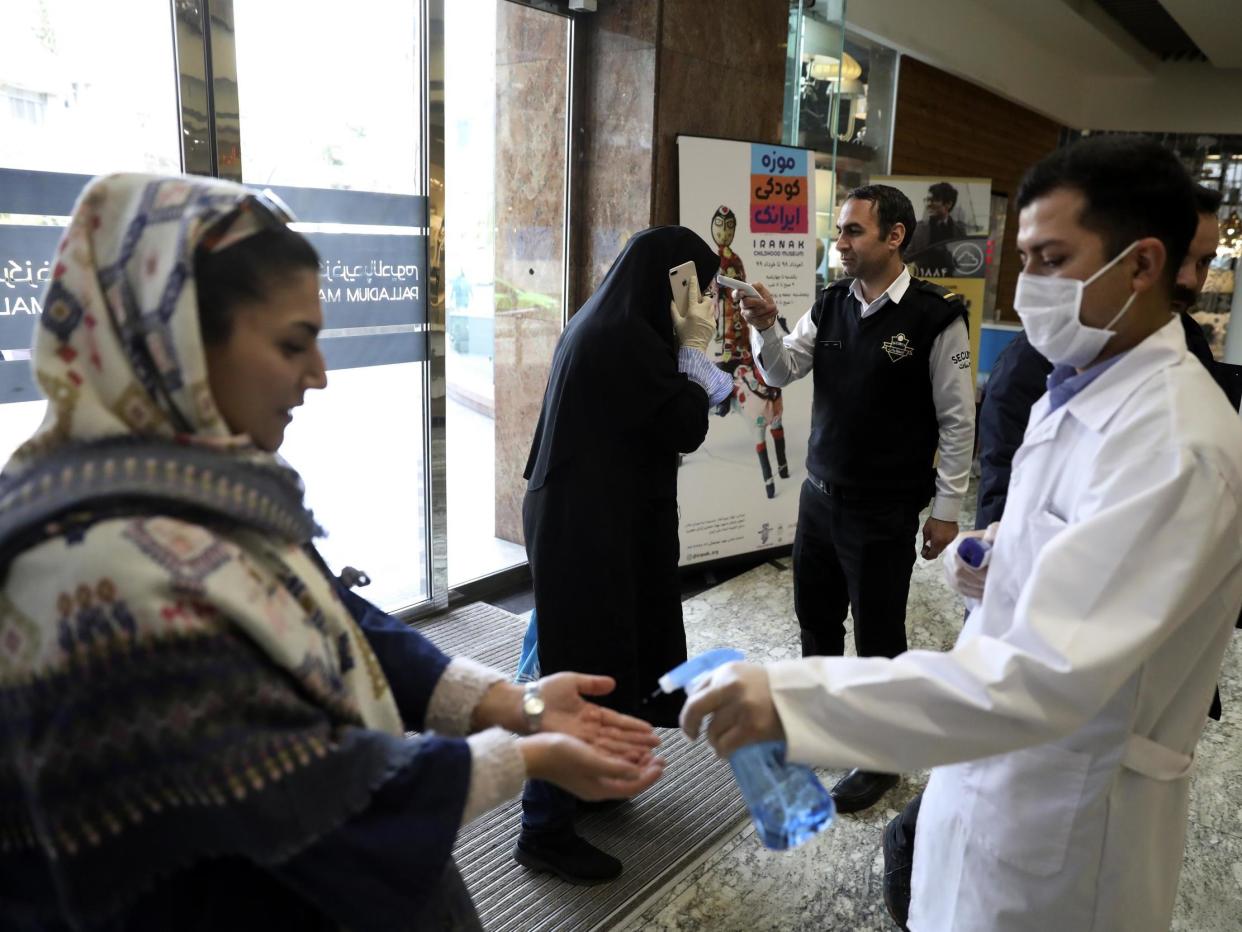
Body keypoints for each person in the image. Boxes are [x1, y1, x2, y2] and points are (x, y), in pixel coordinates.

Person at [0, 173, 666, 932]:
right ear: (175, 340)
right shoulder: (90, 575)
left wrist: (515, 700)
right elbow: (315, 802)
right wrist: (531, 755)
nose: (318, 375)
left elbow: (333, 614)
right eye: (294, 343)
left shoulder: (192, 486)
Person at [681, 135, 1242, 931]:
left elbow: (1037, 680)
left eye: (1051, 258)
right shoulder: (1076, 386)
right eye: (1023, 259)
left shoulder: (1177, 447)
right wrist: (996, 556)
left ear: (1144, 265)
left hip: (1069, 818)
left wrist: (792, 698)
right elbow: (1062, 551)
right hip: (976, 743)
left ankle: (869, 761)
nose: (1028, 287)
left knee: (875, 630)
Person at [733, 183, 975, 814]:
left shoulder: (936, 316)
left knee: (878, 638)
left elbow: (957, 423)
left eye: (851, 232)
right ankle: (820, 724)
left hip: (883, 509)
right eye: (839, 231)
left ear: (894, 237)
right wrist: (765, 327)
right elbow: (782, 369)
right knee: (816, 622)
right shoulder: (832, 302)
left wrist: (946, 511)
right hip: (819, 498)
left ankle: (881, 757)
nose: (839, 243)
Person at [516, 226, 732, 884]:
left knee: (597, 650)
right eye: (696, 288)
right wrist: (696, 351)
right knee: (585, 664)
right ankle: (543, 828)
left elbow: (664, 402)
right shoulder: (623, 339)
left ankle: (590, 786)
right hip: (585, 526)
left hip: (590, 514)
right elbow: (682, 423)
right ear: (674, 283)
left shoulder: (612, 321)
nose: (701, 304)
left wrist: (701, 368)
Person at [905, 181, 968, 274]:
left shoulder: (960, 229)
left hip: (952, 281)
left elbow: (963, 259)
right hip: (924, 281)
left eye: (934, 200)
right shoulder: (919, 229)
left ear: (948, 204)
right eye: (928, 200)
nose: (929, 204)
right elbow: (906, 256)